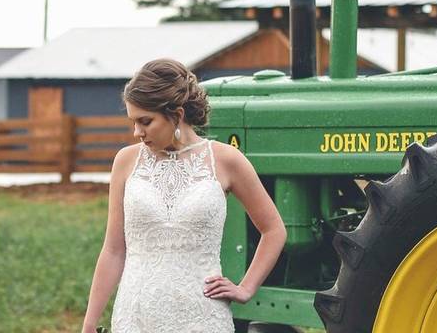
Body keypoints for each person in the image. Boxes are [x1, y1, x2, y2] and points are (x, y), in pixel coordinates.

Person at [81, 58, 287, 333]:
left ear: (176, 115)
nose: (137, 132)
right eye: (133, 122)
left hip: (201, 317)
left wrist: (246, 288)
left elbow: (274, 229)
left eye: (145, 121)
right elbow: (114, 250)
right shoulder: (126, 161)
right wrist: (89, 323)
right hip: (136, 316)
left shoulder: (226, 160)